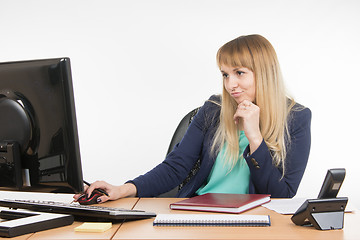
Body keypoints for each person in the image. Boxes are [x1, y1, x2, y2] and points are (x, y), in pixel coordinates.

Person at [74, 34, 311, 203]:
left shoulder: (296, 118)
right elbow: (175, 167)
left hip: (256, 220)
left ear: (265, 74)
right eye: (225, 74)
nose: (231, 84)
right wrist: (123, 189)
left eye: (239, 73)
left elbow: (283, 196)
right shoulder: (212, 110)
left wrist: (255, 138)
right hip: (198, 212)